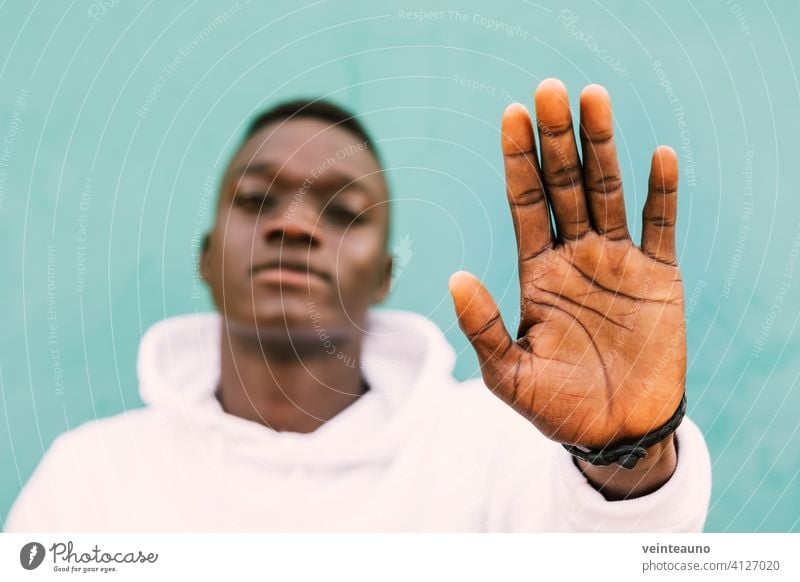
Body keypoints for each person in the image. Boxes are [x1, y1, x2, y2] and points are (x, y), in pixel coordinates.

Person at [5, 78, 711, 532]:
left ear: (381, 277)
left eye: (342, 210)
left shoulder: (489, 448)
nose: (293, 225)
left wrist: (628, 453)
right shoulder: (91, 480)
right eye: (256, 200)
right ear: (206, 258)